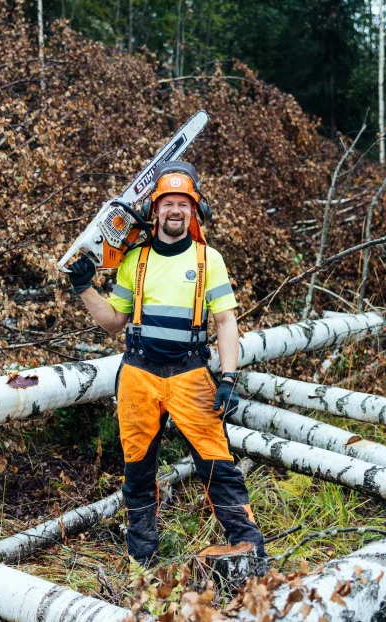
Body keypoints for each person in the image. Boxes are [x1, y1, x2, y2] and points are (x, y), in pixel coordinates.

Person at [66, 161, 265, 567]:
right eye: (168, 203)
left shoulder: (210, 260)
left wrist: (228, 377)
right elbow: (112, 323)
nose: (175, 211)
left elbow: (226, 320)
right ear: (154, 209)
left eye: (183, 204)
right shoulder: (134, 260)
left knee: (217, 462)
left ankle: (248, 548)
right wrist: (84, 287)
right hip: (139, 372)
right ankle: (143, 559)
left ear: (194, 211)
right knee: (138, 468)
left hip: (191, 372)